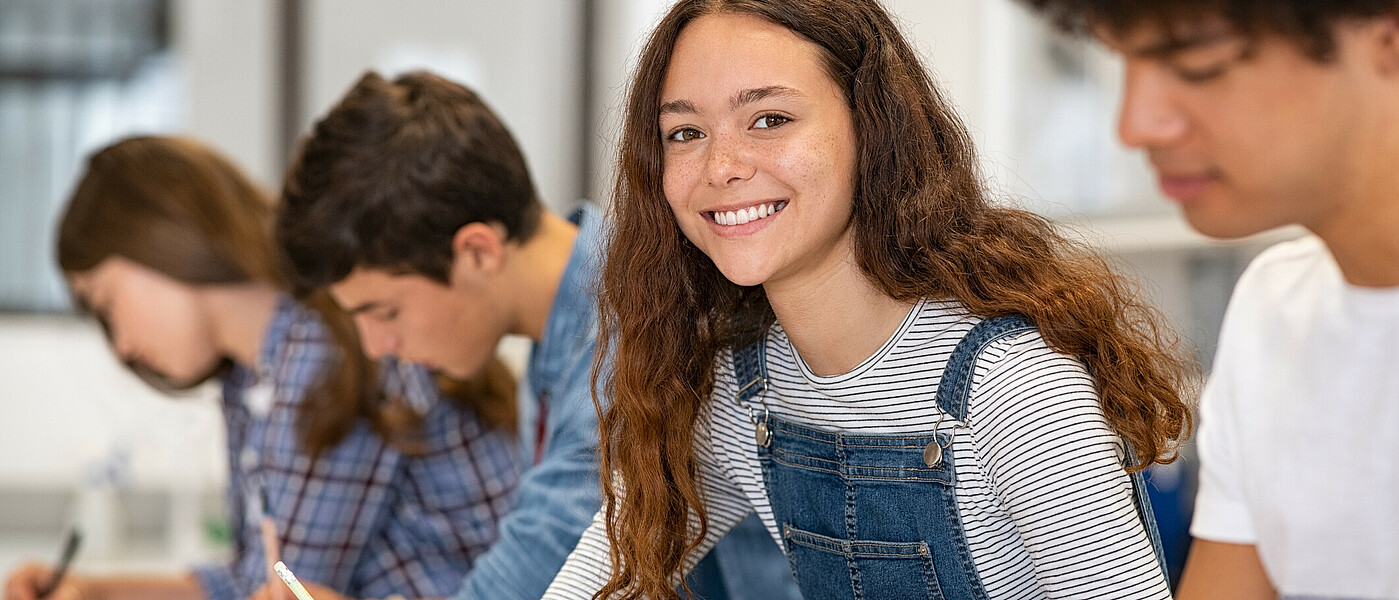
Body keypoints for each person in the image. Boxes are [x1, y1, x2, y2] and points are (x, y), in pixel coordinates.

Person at [542, 0, 1199, 598]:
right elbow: (603, 577)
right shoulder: (741, 390)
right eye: (684, 133)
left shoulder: (1009, 385)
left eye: (769, 119)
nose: (721, 167)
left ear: (872, 128)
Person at [271, 70, 796, 600]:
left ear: (478, 251)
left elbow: (542, 566)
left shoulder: (637, 331)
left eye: (383, 311)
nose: (376, 346)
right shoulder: (566, 329)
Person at [2, 136, 520, 600]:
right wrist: (91, 592)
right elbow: (260, 578)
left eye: (108, 303)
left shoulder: (324, 354)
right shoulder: (255, 375)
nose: (122, 348)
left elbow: (287, 588)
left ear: (161, 238)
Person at [1021, 1, 1399, 598]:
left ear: (1386, 40)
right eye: (1124, 61)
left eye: (1198, 61)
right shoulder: (1273, 308)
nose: (1134, 125)